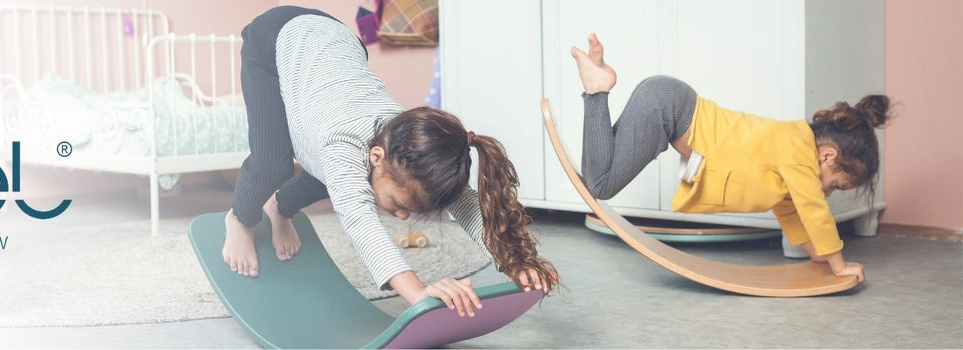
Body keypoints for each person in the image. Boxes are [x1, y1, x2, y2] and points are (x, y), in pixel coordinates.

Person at [221, 6, 560, 317]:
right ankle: (239, 219)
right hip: (275, 37)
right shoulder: (343, 147)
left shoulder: (413, 145)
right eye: (400, 204)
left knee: (340, 177)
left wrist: (512, 260)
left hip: (337, 43)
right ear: (377, 157)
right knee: (273, 165)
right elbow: (362, 223)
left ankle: (278, 208)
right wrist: (417, 292)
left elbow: (468, 206)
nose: (401, 216)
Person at [570, 33, 887, 282]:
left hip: (667, 102)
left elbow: (789, 210)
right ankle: (597, 90)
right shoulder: (799, 153)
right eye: (838, 185)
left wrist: (812, 251)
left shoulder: (792, 152)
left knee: (603, 170)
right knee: (600, 184)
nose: (828, 192)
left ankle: (597, 86)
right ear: (828, 155)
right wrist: (838, 262)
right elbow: (814, 211)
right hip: (668, 108)